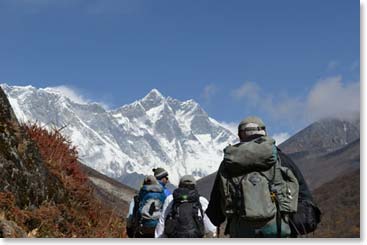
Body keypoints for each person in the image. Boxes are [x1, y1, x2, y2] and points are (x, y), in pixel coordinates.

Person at [205, 116, 320, 238]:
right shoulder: (282, 160)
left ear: (240, 135)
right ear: (264, 133)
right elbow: (305, 200)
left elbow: (215, 215)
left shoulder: (227, 166)